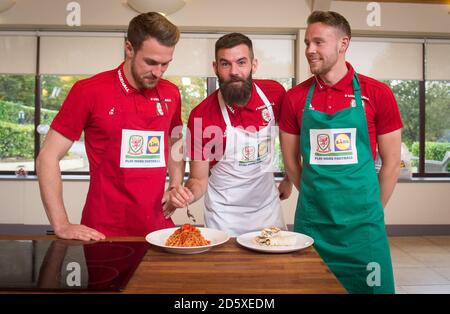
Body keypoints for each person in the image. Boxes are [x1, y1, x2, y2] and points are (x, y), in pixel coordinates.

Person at [280, 11, 402, 294]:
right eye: (307, 42)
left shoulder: (378, 93)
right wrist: (316, 198)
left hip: (364, 230)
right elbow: (291, 162)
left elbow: (392, 163)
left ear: (343, 43)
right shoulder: (295, 98)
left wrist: (370, 209)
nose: (310, 50)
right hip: (314, 226)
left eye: (318, 42)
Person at [37, 12, 185, 240]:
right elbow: (47, 156)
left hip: (159, 228)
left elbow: (175, 141)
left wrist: (175, 184)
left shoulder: (171, 93)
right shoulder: (88, 91)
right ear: (129, 48)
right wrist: (61, 224)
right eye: (151, 62)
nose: (158, 72)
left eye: (165, 64)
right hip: (105, 230)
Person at [165, 33, 292, 237]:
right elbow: (199, 179)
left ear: (254, 64)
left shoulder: (274, 94)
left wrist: (288, 178)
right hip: (224, 219)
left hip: (268, 211)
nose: (234, 72)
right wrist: (185, 195)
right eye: (225, 64)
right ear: (215, 67)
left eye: (241, 62)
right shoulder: (202, 116)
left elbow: (290, 139)